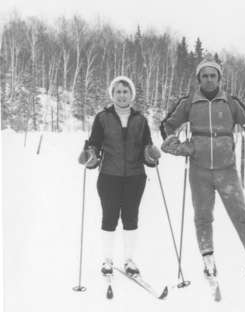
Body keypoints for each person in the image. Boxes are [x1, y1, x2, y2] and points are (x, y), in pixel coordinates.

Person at [160, 58, 245, 281]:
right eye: (205, 76)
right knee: (202, 216)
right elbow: (167, 125)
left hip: (227, 169)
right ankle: (208, 259)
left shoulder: (230, 102)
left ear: (219, 78)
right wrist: (177, 145)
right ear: (198, 79)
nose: (209, 79)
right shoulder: (189, 102)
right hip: (199, 169)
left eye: (213, 75)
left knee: (240, 214)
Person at [78, 76, 161, 277]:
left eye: (125, 91)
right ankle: (107, 261)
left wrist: (151, 155)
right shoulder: (102, 118)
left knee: (131, 217)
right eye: (118, 92)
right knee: (110, 217)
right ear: (112, 94)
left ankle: (129, 261)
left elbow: (146, 146)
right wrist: (90, 155)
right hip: (109, 175)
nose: (122, 95)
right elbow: (95, 144)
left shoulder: (140, 119)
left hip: (135, 176)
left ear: (131, 94)